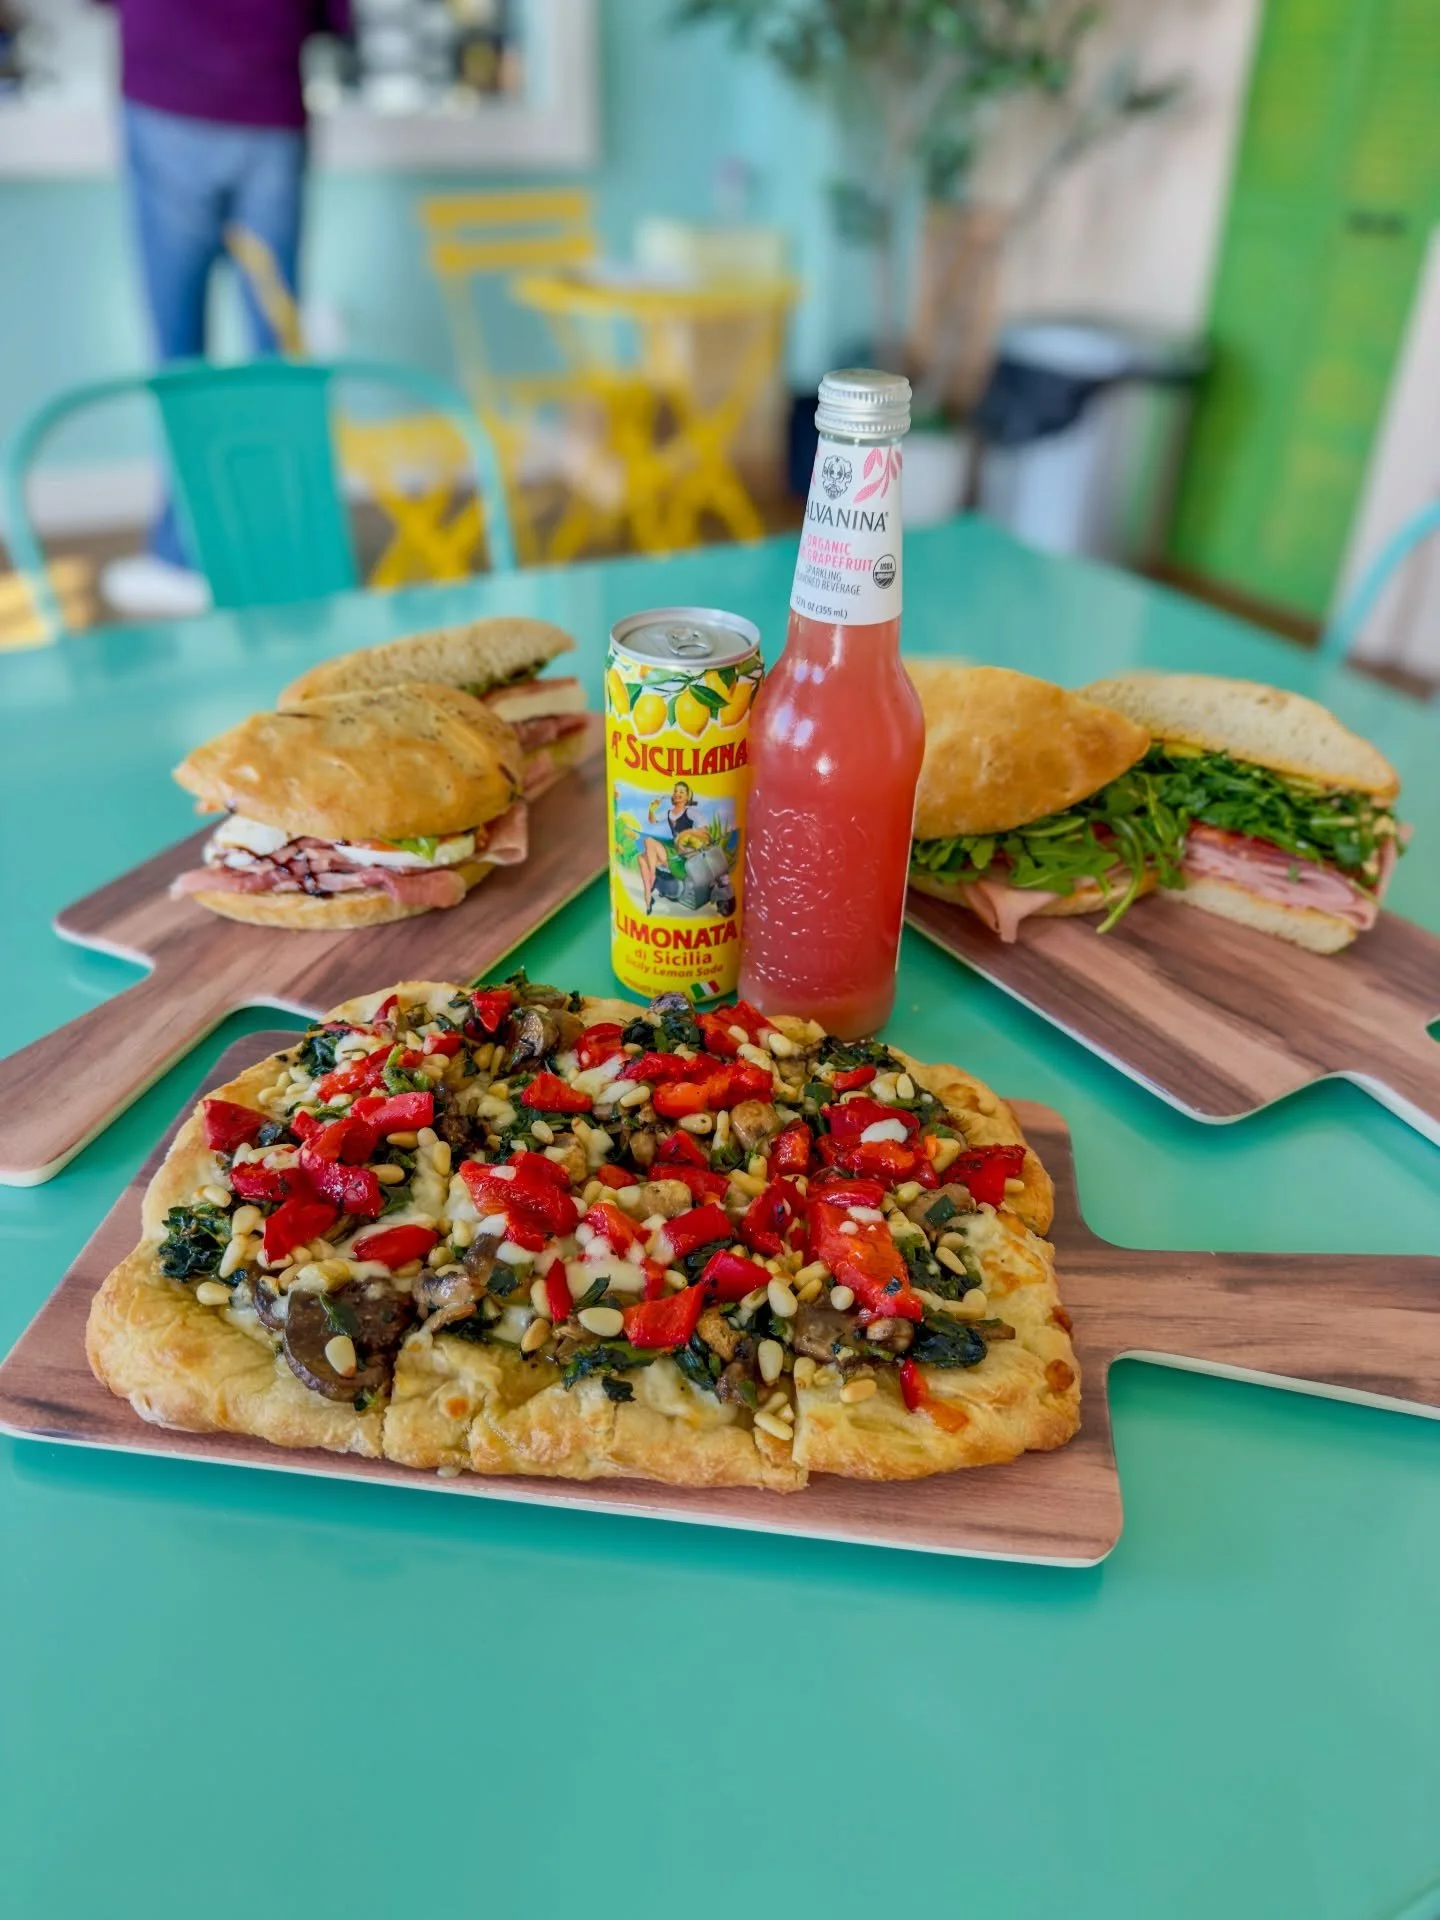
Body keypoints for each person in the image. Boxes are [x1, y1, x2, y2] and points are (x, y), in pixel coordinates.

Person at [101, 0, 353, 618]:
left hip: (169, 93)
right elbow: (336, 20)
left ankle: (181, 555)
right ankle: (282, 555)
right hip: (268, 102)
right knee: (276, 352)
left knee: (181, 351)